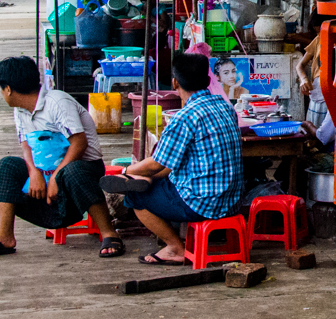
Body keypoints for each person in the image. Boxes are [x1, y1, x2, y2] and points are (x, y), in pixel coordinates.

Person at [0, 57, 123, 259]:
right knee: (7, 165)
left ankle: (109, 233)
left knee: (73, 171)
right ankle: (3, 236)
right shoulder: (20, 110)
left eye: (0, 88)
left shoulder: (57, 101)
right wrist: (34, 172)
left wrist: (56, 178)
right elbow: (26, 144)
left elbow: (79, 142)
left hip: (81, 171)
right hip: (43, 172)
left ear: (8, 89)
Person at [101, 53, 242, 265]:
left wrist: (126, 171)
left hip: (202, 203)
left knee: (135, 197)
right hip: (232, 200)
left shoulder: (185, 117)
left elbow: (157, 163)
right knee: (152, 178)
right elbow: (170, 163)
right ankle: (141, 181)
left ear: (175, 82)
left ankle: (175, 248)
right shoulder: (226, 107)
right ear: (208, 80)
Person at [296, 0, 336, 147]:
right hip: (315, 97)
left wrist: (308, 126)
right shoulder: (319, 39)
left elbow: (322, 135)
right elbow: (300, 65)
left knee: (322, 141)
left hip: (326, 99)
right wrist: (303, 79)